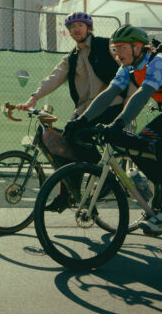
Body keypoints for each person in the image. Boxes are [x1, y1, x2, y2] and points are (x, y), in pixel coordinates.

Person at [66, 25, 162, 235]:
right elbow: (109, 93)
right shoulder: (127, 67)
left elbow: (143, 94)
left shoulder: (158, 62)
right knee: (141, 146)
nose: (116, 54)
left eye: (121, 48)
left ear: (137, 47)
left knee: (153, 145)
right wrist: (82, 121)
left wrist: (118, 123)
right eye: (113, 49)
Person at [17, 12, 122, 147]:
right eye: (72, 26)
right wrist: (34, 97)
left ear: (89, 28)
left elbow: (125, 65)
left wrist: (129, 94)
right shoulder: (71, 58)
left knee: (81, 134)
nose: (76, 29)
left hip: (110, 103)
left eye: (80, 25)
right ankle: (91, 167)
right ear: (69, 32)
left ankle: (95, 167)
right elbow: (54, 77)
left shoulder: (105, 45)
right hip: (85, 107)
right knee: (68, 135)